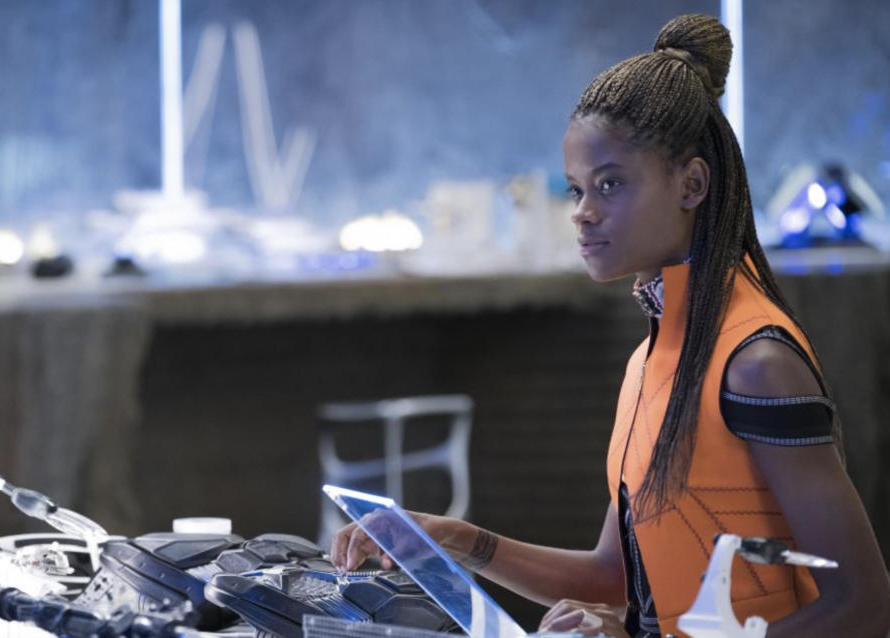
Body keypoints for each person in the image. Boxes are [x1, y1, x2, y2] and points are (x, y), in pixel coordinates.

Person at [331, 13, 890, 638]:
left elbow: (862, 607)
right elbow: (616, 578)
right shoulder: (652, 361)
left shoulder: (757, 363)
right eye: (575, 190)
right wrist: (453, 540)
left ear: (692, 183)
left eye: (611, 185)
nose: (584, 213)